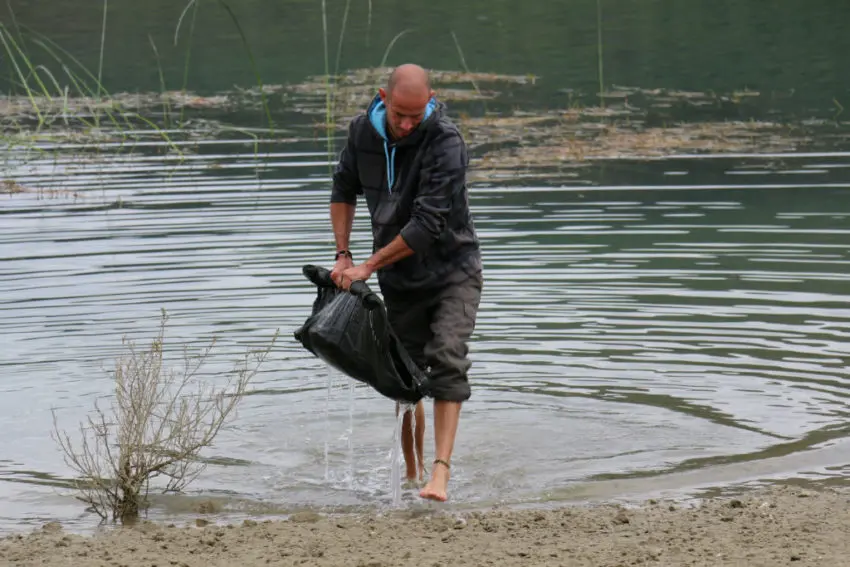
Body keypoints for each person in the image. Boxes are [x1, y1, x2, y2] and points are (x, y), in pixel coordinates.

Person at [328, 63, 483, 502]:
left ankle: (440, 474)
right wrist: (343, 256)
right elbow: (342, 190)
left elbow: (426, 225)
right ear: (383, 97)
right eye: (400, 115)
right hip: (401, 279)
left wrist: (366, 268)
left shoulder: (446, 141)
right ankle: (412, 473)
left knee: (447, 357)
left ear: (431, 100)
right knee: (405, 374)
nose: (409, 124)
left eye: (418, 114)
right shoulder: (362, 132)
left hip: (454, 271)